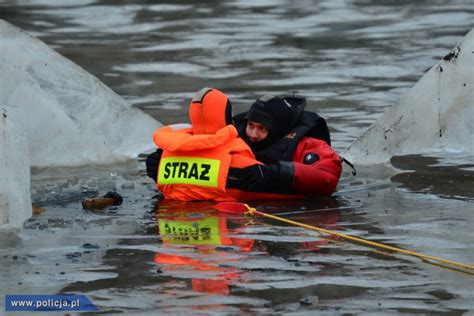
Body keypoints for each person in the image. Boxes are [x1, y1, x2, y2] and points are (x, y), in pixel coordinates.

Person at [231, 94, 342, 196]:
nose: (254, 134)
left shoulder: (305, 145)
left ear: (277, 129)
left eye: (262, 128)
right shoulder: (232, 139)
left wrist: (276, 173)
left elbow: (328, 176)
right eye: (251, 125)